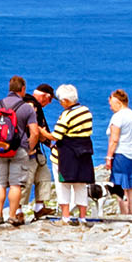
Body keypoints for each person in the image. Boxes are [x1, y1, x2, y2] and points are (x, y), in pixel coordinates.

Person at [0, 76, 46, 227]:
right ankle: (12, 215)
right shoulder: (26, 107)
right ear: (23, 89)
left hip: (0, 149)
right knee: (15, 184)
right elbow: (34, 132)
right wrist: (29, 147)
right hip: (18, 149)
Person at [52, 84, 96, 225]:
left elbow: (57, 135)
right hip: (83, 153)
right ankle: (82, 217)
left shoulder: (67, 115)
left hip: (65, 155)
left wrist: (41, 132)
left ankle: (66, 217)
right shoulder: (86, 111)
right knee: (80, 185)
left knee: (63, 185)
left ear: (65, 100)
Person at [104, 89, 132, 218]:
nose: (110, 107)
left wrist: (109, 157)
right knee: (131, 186)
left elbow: (114, 139)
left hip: (122, 153)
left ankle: (124, 214)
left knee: (120, 186)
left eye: (111, 104)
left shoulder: (118, 117)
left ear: (118, 102)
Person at [25, 83, 59, 221]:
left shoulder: (29, 103)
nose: (49, 103)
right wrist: (47, 137)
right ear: (45, 96)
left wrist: (50, 145)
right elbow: (37, 128)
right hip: (28, 149)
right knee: (26, 181)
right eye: (50, 100)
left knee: (44, 176)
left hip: (37, 149)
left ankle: (40, 207)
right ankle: (19, 210)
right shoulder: (32, 105)